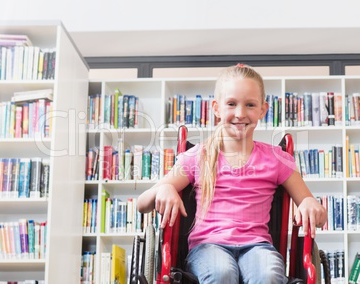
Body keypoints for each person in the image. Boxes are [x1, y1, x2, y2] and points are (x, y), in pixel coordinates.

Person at [137, 64, 327, 283]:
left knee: (268, 275)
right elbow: (142, 203)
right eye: (231, 104)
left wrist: (310, 203)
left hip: (257, 247)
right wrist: (166, 188)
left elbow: (319, 218)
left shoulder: (277, 158)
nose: (240, 113)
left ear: (263, 110)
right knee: (222, 273)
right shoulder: (199, 156)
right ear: (217, 108)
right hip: (208, 246)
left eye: (250, 105)